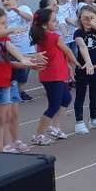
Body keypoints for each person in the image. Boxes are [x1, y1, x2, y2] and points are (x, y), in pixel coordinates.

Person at [0, 7, 41, 152]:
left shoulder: (4, 39)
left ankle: (1, 150)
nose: (6, 27)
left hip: (5, 84)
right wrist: (12, 29)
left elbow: (12, 49)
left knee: (2, 120)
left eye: (6, 24)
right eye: (3, 24)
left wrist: (25, 59)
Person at [28, 8, 79, 145]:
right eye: (54, 20)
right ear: (45, 24)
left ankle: (53, 127)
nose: (56, 22)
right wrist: (76, 63)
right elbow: (67, 50)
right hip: (52, 76)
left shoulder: (43, 37)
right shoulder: (53, 37)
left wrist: (68, 66)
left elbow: (60, 53)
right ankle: (38, 135)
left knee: (66, 98)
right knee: (54, 105)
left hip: (56, 74)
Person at [72, 6, 96, 134]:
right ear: (80, 19)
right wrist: (88, 62)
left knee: (94, 94)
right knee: (80, 95)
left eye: (91, 18)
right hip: (83, 69)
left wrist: (94, 24)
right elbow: (82, 47)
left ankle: (94, 119)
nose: (88, 21)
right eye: (85, 18)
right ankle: (79, 121)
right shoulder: (78, 33)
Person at [0, 0, 36, 102]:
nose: (5, 2)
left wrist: (16, 10)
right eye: (2, 0)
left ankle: (20, 91)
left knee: (24, 73)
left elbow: (30, 18)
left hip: (26, 46)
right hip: (12, 47)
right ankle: (14, 93)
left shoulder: (23, 8)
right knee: (15, 72)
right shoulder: (3, 13)